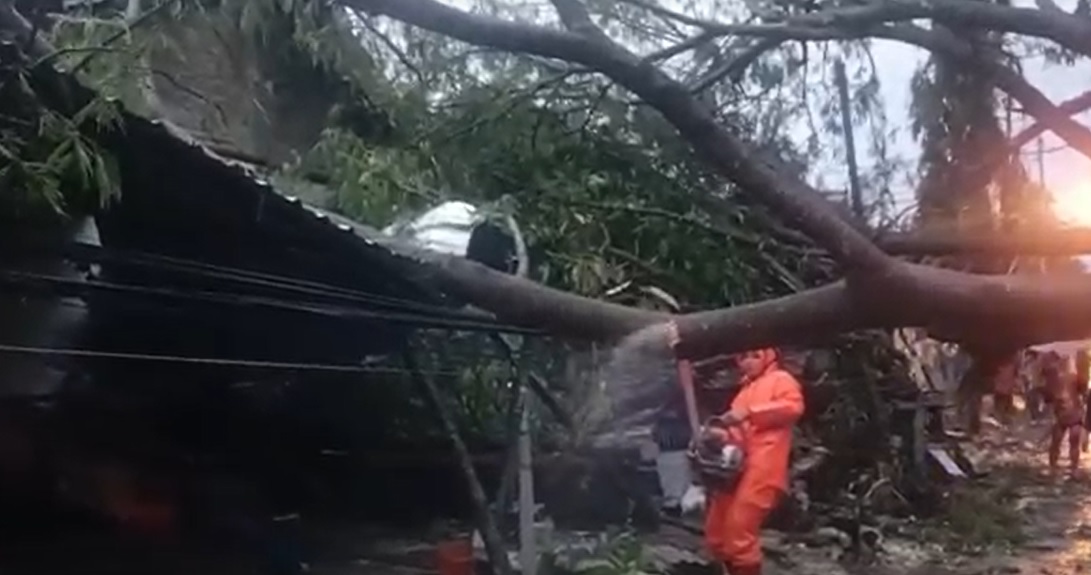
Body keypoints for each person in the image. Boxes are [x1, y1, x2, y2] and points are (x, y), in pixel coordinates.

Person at [668, 323, 804, 575]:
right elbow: (736, 433)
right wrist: (718, 435)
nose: (749, 362)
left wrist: (749, 413)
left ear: (770, 357)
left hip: (764, 469)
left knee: (739, 531)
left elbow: (793, 408)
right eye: (744, 357)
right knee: (716, 532)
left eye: (756, 356)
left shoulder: (780, 380)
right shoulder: (744, 392)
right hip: (736, 469)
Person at [1044, 352, 1084, 474]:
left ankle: (1065, 466)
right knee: (1063, 441)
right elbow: (1048, 398)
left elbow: (1048, 398)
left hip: (1069, 414)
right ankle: (1068, 466)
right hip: (1066, 414)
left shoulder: (1073, 378)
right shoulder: (1062, 378)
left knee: (1065, 441)